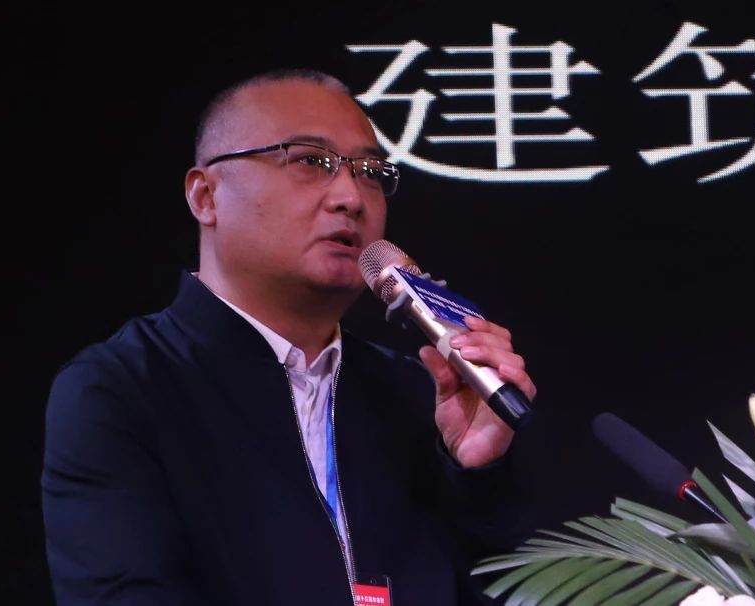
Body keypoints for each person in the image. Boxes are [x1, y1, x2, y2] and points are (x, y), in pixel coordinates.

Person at [41, 68, 537, 606]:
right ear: (205, 196)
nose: (350, 196)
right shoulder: (120, 389)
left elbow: (503, 591)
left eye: (371, 172)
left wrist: (477, 476)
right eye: (310, 161)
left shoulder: (417, 394)